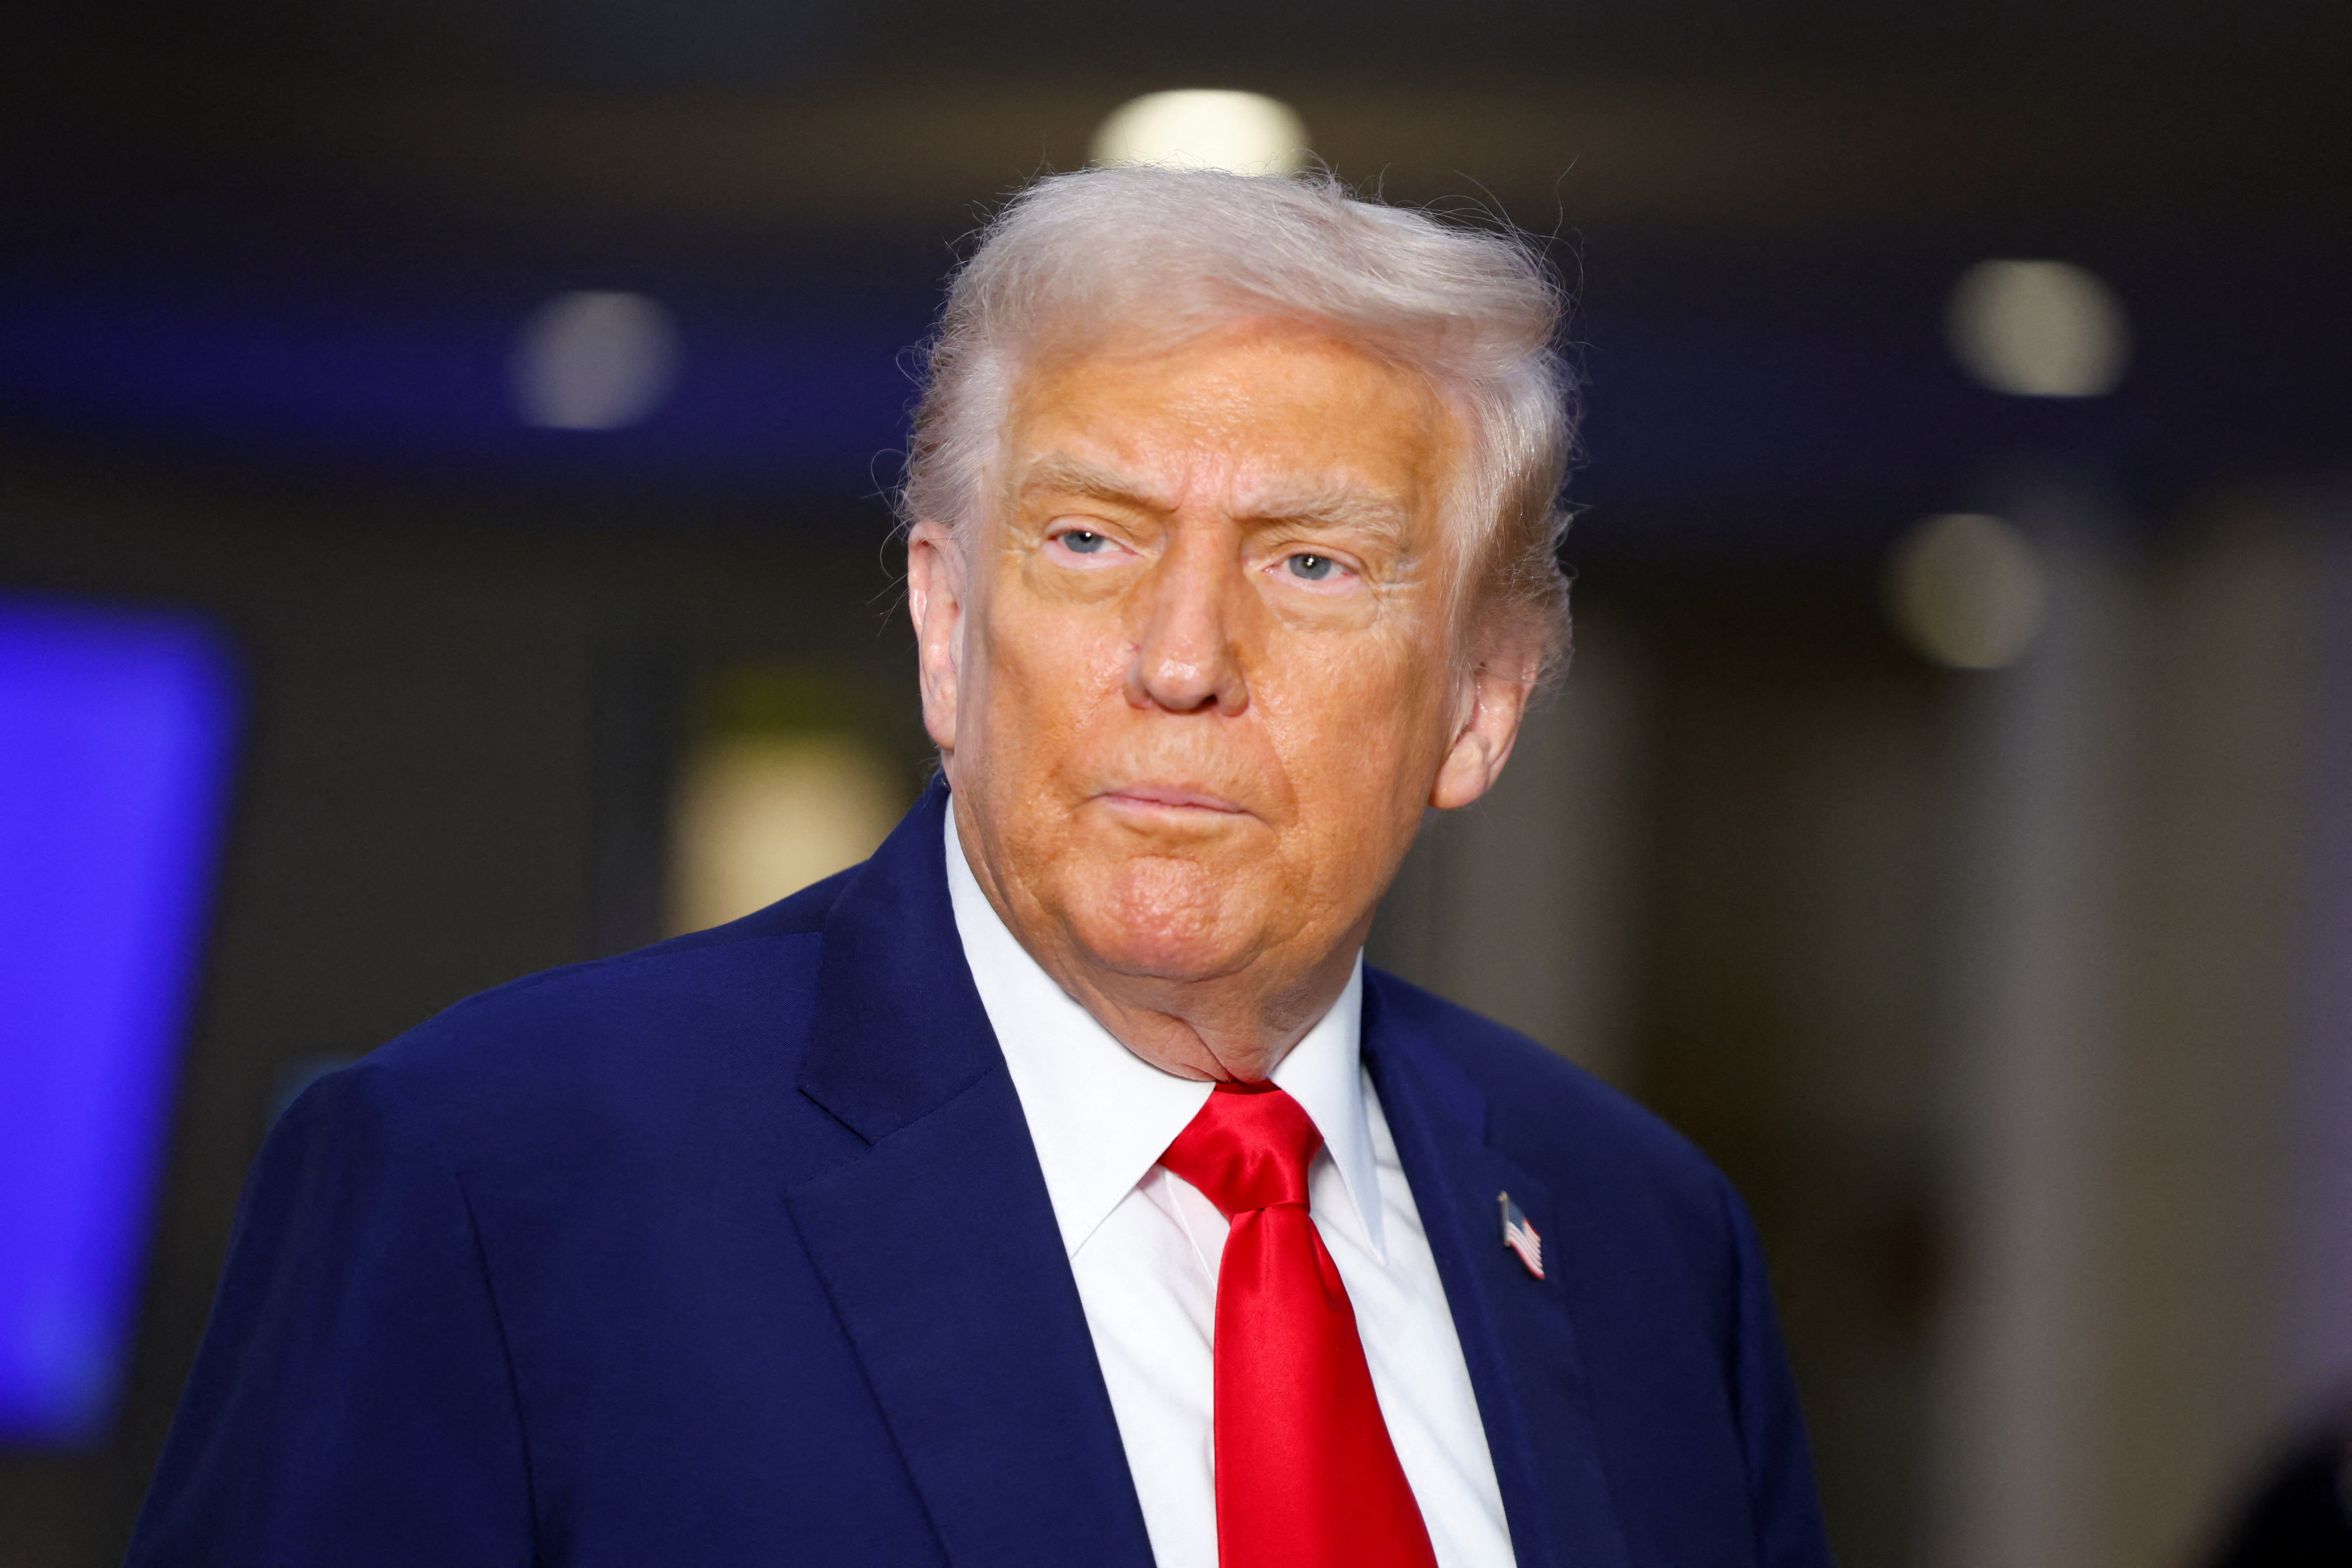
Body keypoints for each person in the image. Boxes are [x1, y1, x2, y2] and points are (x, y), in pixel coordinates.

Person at [127, 166, 1831, 1568]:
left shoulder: (1644, 1240)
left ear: (1480, 701)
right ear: (946, 628)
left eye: (1310, 564)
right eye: (1089, 538)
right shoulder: (489, 1178)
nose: (1182, 657)